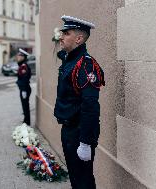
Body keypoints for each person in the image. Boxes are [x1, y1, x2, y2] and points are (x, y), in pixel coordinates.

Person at [54, 15, 105, 189]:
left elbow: (90, 107)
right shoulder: (71, 60)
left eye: (65, 33)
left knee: (83, 181)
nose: (61, 36)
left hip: (79, 133)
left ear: (79, 38)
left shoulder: (85, 65)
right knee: (76, 179)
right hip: (69, 130)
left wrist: (85, 142)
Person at [16, 48, 32, 126]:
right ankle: (26, 120)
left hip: (24, 88)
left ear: (23, 57)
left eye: (19, 56)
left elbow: (25, 79)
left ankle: (27, 122)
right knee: (24, 105)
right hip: (23, 88)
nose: (17, 57)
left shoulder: (23, 66)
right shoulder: (22, 65)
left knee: (25, 106)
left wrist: (24, 90)